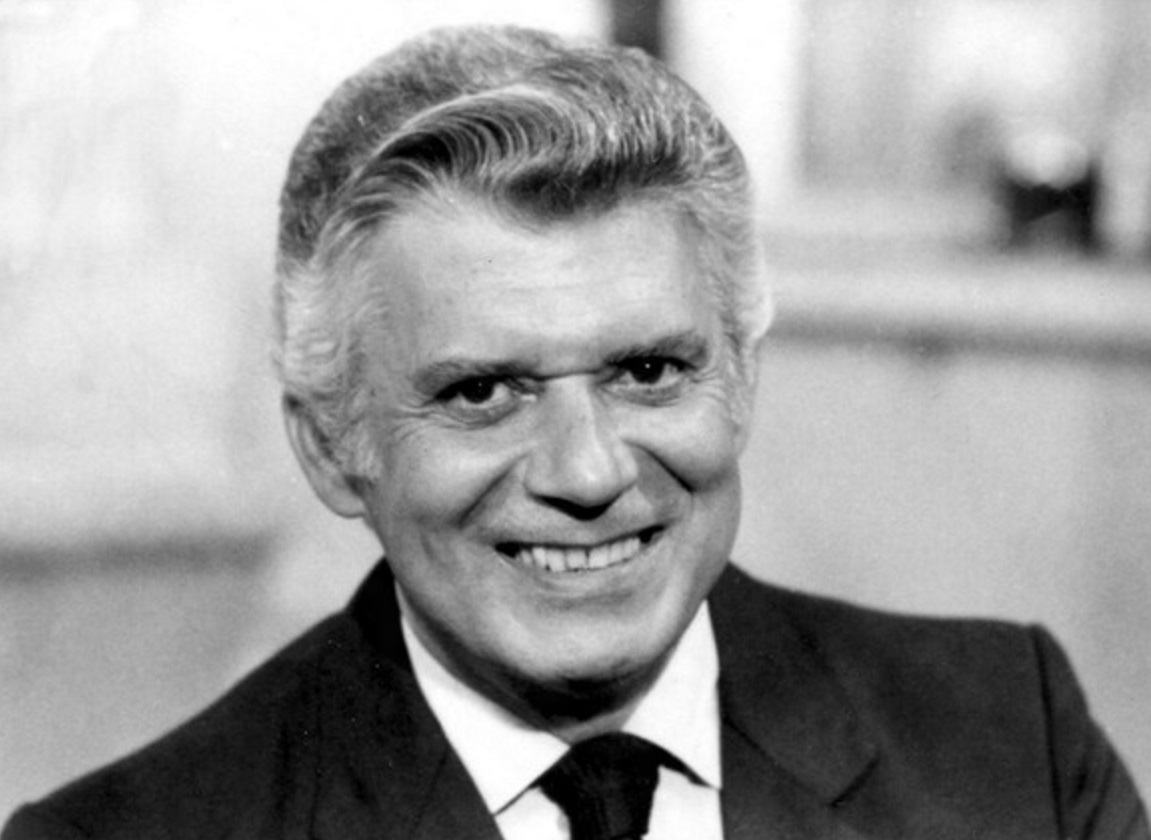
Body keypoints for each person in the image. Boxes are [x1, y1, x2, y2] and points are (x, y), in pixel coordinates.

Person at [3, 24, 1147, 840]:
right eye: (480, 393)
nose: (587, 471)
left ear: (740, 379)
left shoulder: (1011, 745)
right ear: (328, 445)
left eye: (648, 372)